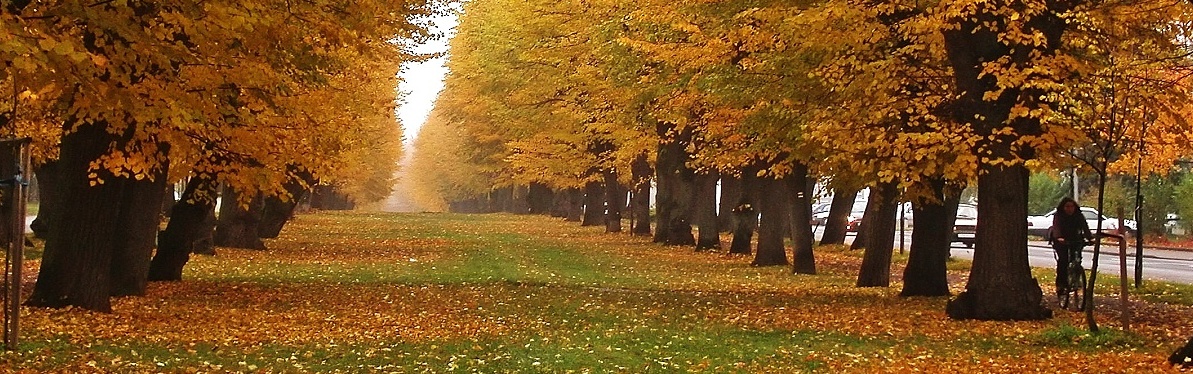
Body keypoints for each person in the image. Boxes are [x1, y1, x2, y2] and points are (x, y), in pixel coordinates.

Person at [1049, 197, 1092, 297]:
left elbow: (1085, 227)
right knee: (1063, 260)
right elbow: (1056, 227)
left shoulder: (1079, 216)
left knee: (1077, 258)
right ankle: (1061, 284)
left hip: (1075, 239)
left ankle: (1076, 278)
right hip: (1061, 241)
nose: (1070, 209)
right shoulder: (1059, 216)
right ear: (1063, 207)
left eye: (1072, 206)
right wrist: (1059, 237)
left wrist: (1089, 238)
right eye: (1067, 207)